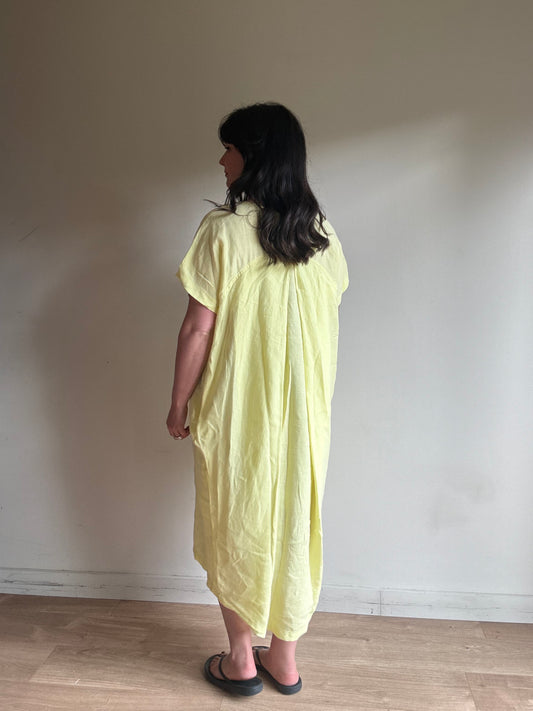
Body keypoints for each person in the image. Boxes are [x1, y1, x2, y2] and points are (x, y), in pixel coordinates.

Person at [166, 102, 348, 696]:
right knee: (295, 519)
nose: (222, 160)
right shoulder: (322, 236)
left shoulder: (223, 231)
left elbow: (197, 330)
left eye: (230, 148)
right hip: (305, 417)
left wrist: (178, 404)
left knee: (236, 519)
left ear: (254, 156)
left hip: (238, 409)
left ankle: (242, 659)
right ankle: (284, 660)